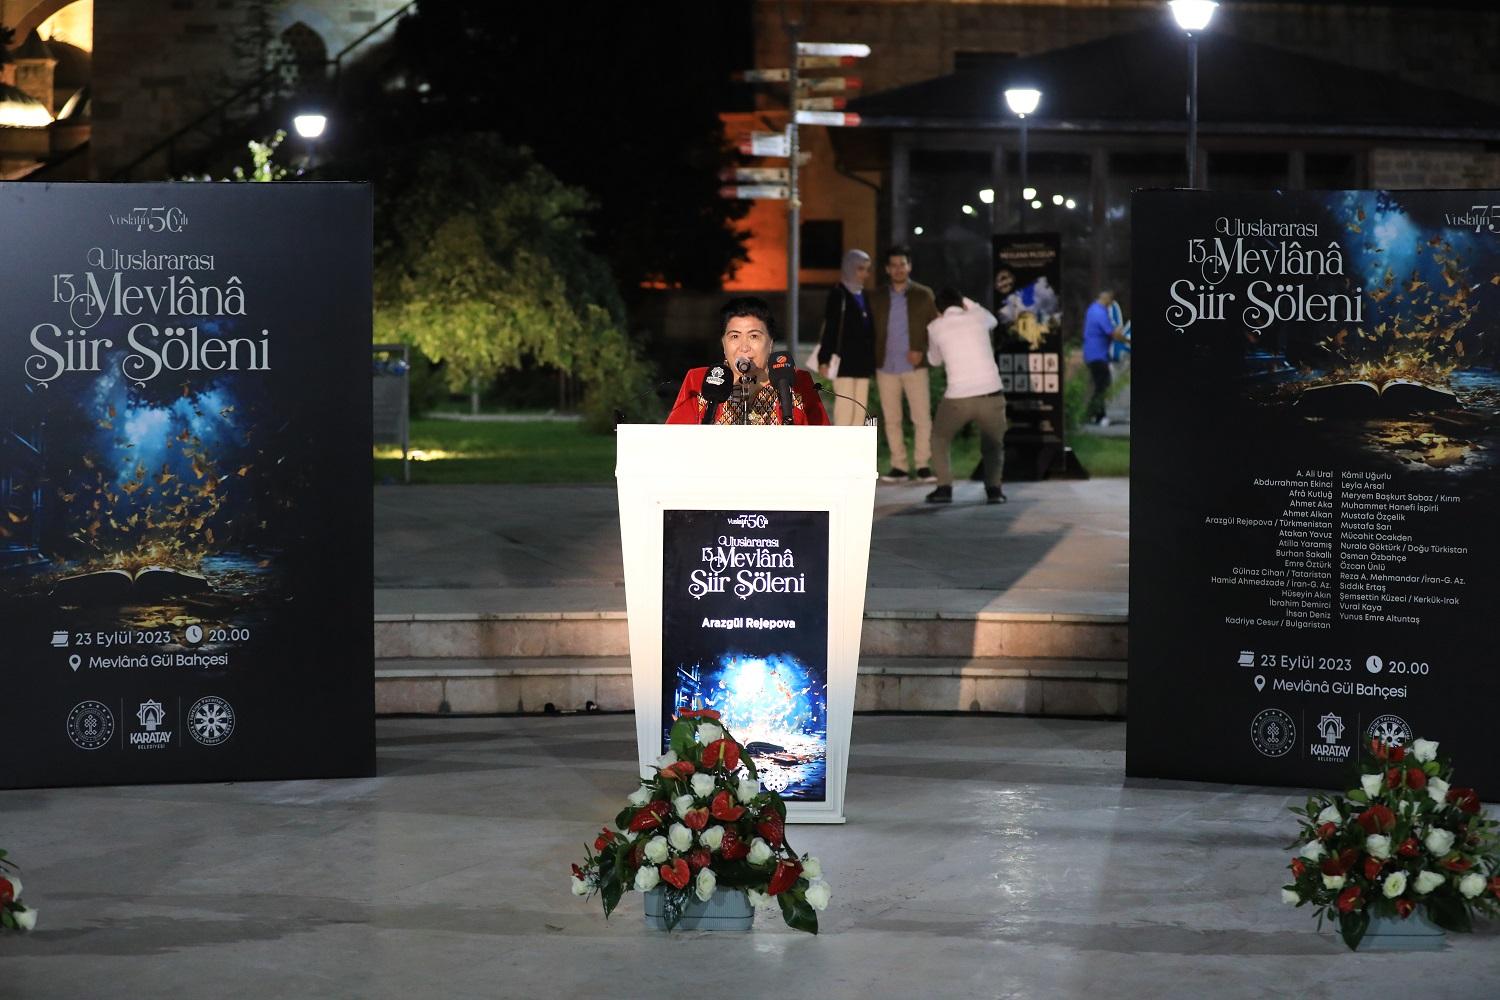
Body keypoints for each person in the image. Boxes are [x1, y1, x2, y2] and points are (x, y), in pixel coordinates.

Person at [666, 296, 829, 425]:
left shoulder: (797, 382)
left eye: (754, 336)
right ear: (723, 344)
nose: (744, 347)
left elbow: (823, 443)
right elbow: (674, 441)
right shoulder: (699, 380)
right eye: (734, 336)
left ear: (770, 343)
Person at [924, 287, 1007, 504]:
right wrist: (967, 302)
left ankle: (944, 488)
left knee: (939, 438)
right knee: (993, 445)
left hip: (958, 398)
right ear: (963, 303)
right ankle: (994, 491)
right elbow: (994, 320)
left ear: (939, 310)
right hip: (991, 394)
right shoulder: (978, 317)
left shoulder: (935, 327)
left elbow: (934, 360)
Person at [869, 244, 939, 483]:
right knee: (892, 419)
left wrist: (923, 351)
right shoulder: (877, 297)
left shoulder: (924, 295)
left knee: (922, 418)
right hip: (885, 366)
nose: (899, 269)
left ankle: (923, 465)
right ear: (887, 269)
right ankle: (898, 466)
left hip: (915, 367)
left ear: (909, 266)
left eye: (903, 264)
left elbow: (935, 329)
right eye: (894, 265)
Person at [816, 249, 876, 426]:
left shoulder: (863, 294)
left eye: (867, 269)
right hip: (844, 362)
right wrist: (824, 359)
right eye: (861, 269)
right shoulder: (839, 294)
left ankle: (855, 445)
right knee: (845, 411)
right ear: (849, 268)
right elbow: (831, 328)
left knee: (859, 411)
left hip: (862, 363)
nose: (865, 274)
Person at [1083, 290, 1124, 426]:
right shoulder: (1100, 312)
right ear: (1107, 299)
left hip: (1092, 353)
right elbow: (1111, 333)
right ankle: (1098, 416)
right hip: (1098, 355)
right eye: (1110, 301)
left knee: (1099, 385)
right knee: (1102, 385)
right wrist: (1122, 336)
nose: (1110, 305)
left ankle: (1092, 414)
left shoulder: (1092, 309)